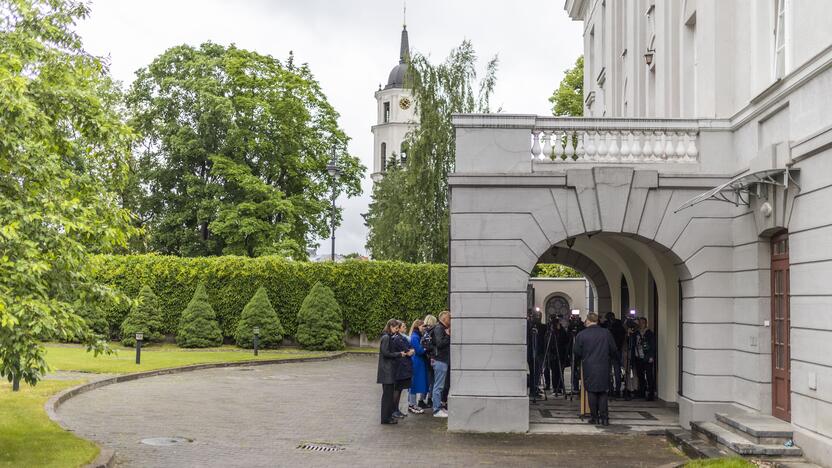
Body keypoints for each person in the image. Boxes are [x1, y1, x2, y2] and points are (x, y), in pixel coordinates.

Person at [573, 312, 619, 426]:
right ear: (597, 321)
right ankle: (604, 418)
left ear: (588, 320)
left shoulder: (582, 334)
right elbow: (613, 349)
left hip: (589, 366)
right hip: (604, 365)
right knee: (603, 392)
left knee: (592, 392)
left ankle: (594, 417)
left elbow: (577, 352)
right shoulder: (606, 333)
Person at [378, 319, 407, 424]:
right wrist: (398, 354)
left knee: (389, 396)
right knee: (387, 396)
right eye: (395, 328)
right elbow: (385, 353)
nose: (396, 330)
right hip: (387, 371)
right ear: (390, 326)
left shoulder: (388, 337)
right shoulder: (386, 337)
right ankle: (385, 418)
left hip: (388, 370)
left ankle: (388, 416)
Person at [391, 321, 414, 419]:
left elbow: (410, 350)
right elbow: (408, 351)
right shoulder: (398, 339)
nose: (405, 328)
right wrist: (410, 351)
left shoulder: (403, 338)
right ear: (399, 328)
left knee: (400, 389)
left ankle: (396, 409)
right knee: (397, 389)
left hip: (404, 367)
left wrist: (410, 351)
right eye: (403, 326)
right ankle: (394, 410)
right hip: (400, 367)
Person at [431, 311, 451, 418]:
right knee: (438, 386)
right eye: (449, 318)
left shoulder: (441, 328)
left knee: (440, 386)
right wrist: (448, 336)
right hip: (440, 360)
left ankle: (439, 407)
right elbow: (439, 343)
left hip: (442, 360)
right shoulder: (439, 328)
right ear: (444, 319)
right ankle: (436, 410)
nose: (451, 320)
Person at [408, 320, 429, 413]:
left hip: (419, 362)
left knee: (416, 383)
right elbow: (419, 350)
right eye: (422, 326)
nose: (424, 328)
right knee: (414, 384)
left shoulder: (418, 336)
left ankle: (413, 404)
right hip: (416, 362)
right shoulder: (415, 336)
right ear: (418, 326)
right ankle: (412, 404)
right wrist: (426, 348)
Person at [605, 312, 626, 398]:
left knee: (613, 371)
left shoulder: (615, 326)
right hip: (615, 350)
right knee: (615, 371)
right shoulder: (619, 325)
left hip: (613, 351)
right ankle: (615, 389)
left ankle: (613, 390)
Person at [526, 310, 546, 398]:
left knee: (537, 372)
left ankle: (535, 388)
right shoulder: (529, 325)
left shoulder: (540, 327)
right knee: (535, 371)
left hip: (538, 351)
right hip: (533, 352)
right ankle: (533, 390)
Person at [637, 317, 657, 401]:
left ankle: (651, 394)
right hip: (638, 357)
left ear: (646, 323)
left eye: (642, 323)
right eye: (640, 322)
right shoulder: (636, 333)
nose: (641, 324)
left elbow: (652, 346)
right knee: (640, 375)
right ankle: (642, 391)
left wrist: (651, 356)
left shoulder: (649, 333)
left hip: (647, 357)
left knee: (649, 376)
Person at [422, 314, 438, 409]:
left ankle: (422, 398)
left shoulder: (423, 331)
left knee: (427, 379)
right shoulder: (433, 331)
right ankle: (430, 399)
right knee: (433, 380)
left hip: (425, 357)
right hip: (432, 357)